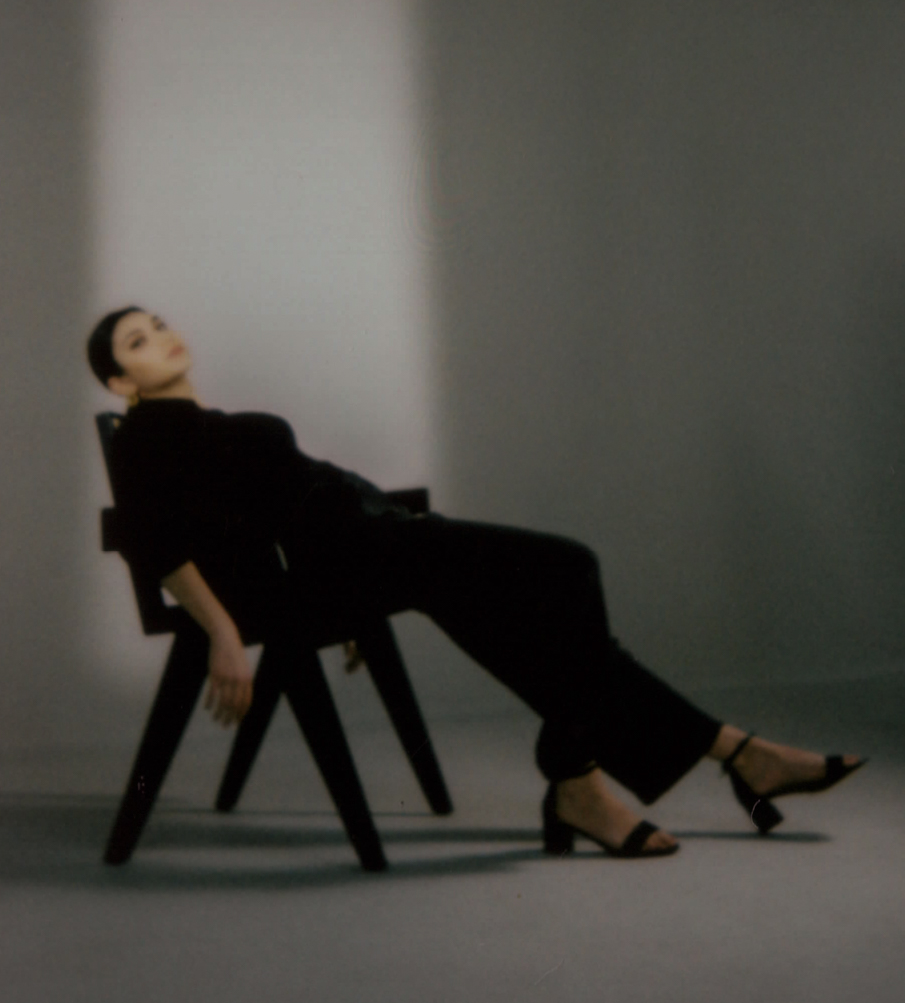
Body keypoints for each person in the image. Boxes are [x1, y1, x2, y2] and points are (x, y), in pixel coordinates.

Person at [86, 306, 865, 859]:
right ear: (121, 381)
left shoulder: (206, 425)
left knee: (525, 619)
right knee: (567, 569)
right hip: (362, 556)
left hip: (368, 551)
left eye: (157, 323)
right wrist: (224, 630)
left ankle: (650, 769)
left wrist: (341, 587)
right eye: (137, 340)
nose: (161, 335)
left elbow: (265, 523)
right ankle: (687, 761)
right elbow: (154, 539)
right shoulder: (146, 436)